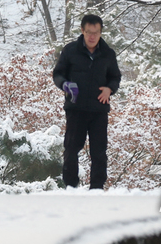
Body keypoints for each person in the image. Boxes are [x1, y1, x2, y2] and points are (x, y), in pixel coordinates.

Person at [52, 13, 122, 189]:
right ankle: (70, 187)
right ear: (82, 31)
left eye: (96, 32)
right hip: (75, 108)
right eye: (89, 32)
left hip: (99, 110)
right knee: (71, 149)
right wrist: (65, 85)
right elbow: (57, 74)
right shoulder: (70, 51)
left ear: (100, 33)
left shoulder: (108, 54)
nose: (92, 36)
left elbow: (115, 77)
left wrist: (110, 89)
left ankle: (97, 188)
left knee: (99, 152)